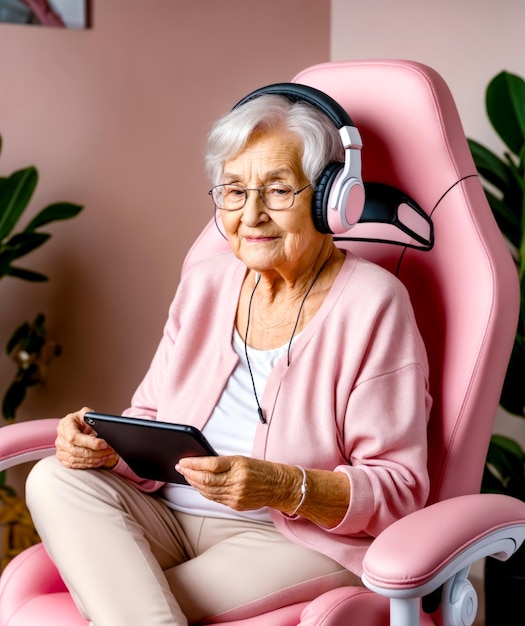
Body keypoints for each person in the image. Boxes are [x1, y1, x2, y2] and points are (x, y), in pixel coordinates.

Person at [26, 84, 432, 626]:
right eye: (234, 191)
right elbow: (151, 420)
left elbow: (399, 488)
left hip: (288, 536)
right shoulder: (206, 283)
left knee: (125, 603)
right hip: (169, 514)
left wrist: (284, 485)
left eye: (278, 190)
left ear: (329, 200)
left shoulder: (374, 303)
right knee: (52, 478)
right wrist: (105, 446)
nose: (251, 214)